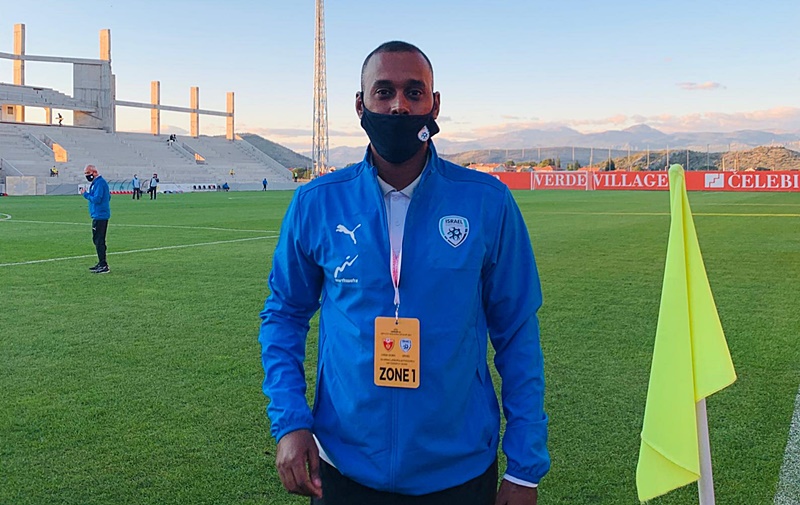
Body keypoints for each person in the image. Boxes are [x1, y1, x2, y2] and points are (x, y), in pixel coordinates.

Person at [259, 41, 549, 505]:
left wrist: (525, 467)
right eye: (384, 92)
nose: (399, 105)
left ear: (435, 104)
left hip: (458, 471)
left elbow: (517, 333)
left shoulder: (487, 202)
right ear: (361, 105)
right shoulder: (317, 203)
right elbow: (284, 315)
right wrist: (291, 421)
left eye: (415, 92)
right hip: (343, 467)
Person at [82, 164, 111, 274]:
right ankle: (101, 262)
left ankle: (103, 264)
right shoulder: (97, 183)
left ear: (94, 172)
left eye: (88, 173)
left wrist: (86, 194)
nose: (87, 176)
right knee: (97, 239)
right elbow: (108, 197)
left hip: (100, 216)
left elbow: (97, 199)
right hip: (98, 214)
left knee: (99, 240)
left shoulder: (100, 183)